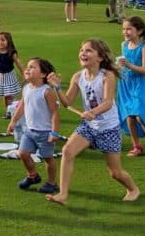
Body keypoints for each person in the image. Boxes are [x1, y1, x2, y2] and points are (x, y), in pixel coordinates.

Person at [46, 38, 140, 205]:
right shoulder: (77, 77)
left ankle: (133, 189)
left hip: (108, 128)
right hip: (89, 126)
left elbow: (108, 102)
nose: (83, 53)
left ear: (100, 57)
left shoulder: (107, 76)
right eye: (82, 50)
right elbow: (67, 102)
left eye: (88, 51)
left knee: (115, 173)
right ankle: (63, 194)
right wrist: (57, 88)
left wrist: (92, 112)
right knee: (68, 151)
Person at [7, 58, 60, 193]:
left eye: (32, 67)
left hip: (45, 133)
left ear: (43, 74)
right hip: (29, 131)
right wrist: (13, 121)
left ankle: (51, 183)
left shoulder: (47, 91)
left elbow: (55, 113)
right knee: (23, 153)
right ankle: (33, 176)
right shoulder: (26, 88)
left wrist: (54, 132)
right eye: (27, 67)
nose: (27, 69)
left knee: (48, 159)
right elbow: (22, 106)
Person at [117, 16, 145, 157]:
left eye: (129, 29)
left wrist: (128, 65)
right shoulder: (124, 45)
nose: (125, 32)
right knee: (129, 117)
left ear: (139, 31)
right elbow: (122, 66)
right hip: (125, 84)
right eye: (124, 29)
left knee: (139, 115)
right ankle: (136, 146)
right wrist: (117, 69)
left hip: (138, 85)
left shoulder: (144, 47)